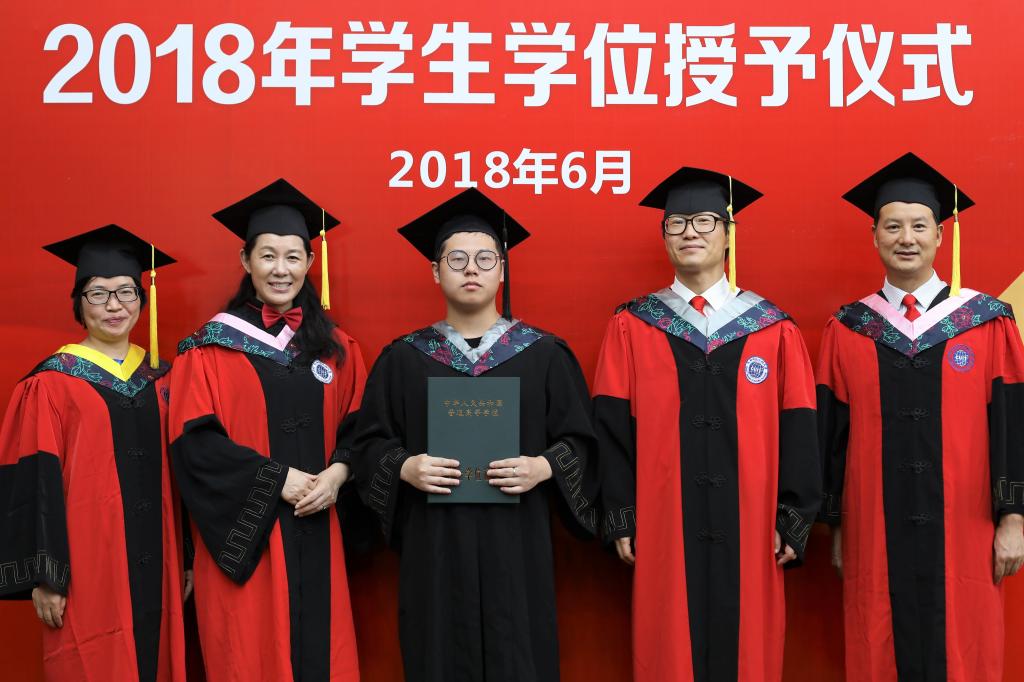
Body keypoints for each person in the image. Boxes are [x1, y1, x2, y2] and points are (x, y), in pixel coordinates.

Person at [351, 187, 598, 682]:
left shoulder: (545, 355)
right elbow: (368, 445)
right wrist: (404, 467)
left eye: (485, 259)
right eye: (456, 259)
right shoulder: (403, 359)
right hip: (435, 545)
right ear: (435, 271)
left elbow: (582, 443)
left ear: (502, 271)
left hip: (517, 544)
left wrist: (542, 466)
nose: (471, 269)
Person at [592, 166, 820, 682]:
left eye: (704, 221)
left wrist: (794, 515)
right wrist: (622, 514)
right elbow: (611, 428)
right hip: (663, 521)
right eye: (677, 223)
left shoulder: (773, 329)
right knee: (670, 645)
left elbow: (799, 426)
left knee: (749, 648)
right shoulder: (632, 326)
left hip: (753, 523)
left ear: (728, 233)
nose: (689, 232)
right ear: (664, 236)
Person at [818, 152, 1024, 681]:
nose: (906, 238)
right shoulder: (849, 329)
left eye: (918, 226)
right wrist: (837, 526)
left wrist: (1014, 518)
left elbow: (1012, 424)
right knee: (879, 643)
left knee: (963, 644)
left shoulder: (985, 323)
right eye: (893, 227)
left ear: (939, 235)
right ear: (874, 236)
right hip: (873, 528)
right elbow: (833, 438)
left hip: (968, 526)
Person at [169, 178, 364, 681]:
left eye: (293, 257)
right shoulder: (207, 350)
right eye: (268, 256)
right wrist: (277, 480)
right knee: (252, 656)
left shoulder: (337, 348)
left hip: (320, 530)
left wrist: (339, 474)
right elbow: (194, 447)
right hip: (249, 542)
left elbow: (362, 428)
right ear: (246, 260)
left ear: (310, 262)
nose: (281, 269)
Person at [0, 224, 187, 681]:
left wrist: (188, 558)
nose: (114, 306)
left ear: (142, 299)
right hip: (87, 566)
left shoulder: (165, 379)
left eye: (125, 292)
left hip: (161, 559)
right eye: (98, 294)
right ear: (79, 304)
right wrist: (45, 575)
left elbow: (187, 474)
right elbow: (33, 483)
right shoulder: (51, 383)